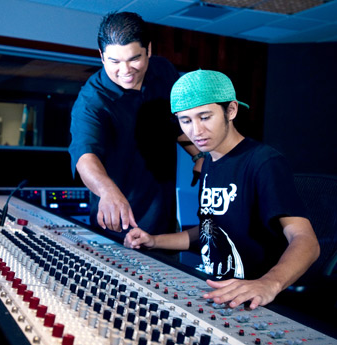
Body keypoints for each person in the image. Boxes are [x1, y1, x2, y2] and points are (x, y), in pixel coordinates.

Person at [124, 69, 320, 309]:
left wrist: (269, 283)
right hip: (218, 292)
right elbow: (210, 229)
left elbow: (306, 240)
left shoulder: (263, 162)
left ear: (231, 110)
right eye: (185, 120)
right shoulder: (209, 164)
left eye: (205, 117)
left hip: (254, 299)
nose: (196, 131)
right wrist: (154, 240)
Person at [68, 11, 202, 241]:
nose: (125, 70)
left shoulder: (163, 71)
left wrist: (198, 155)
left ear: (148, 50)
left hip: (165, 225)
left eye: (134, 59)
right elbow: (84, 156)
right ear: (101, 56)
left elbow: (172, 124)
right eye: (114, 61)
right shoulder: (92, 101)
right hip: (116, 230)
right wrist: (107, 191)